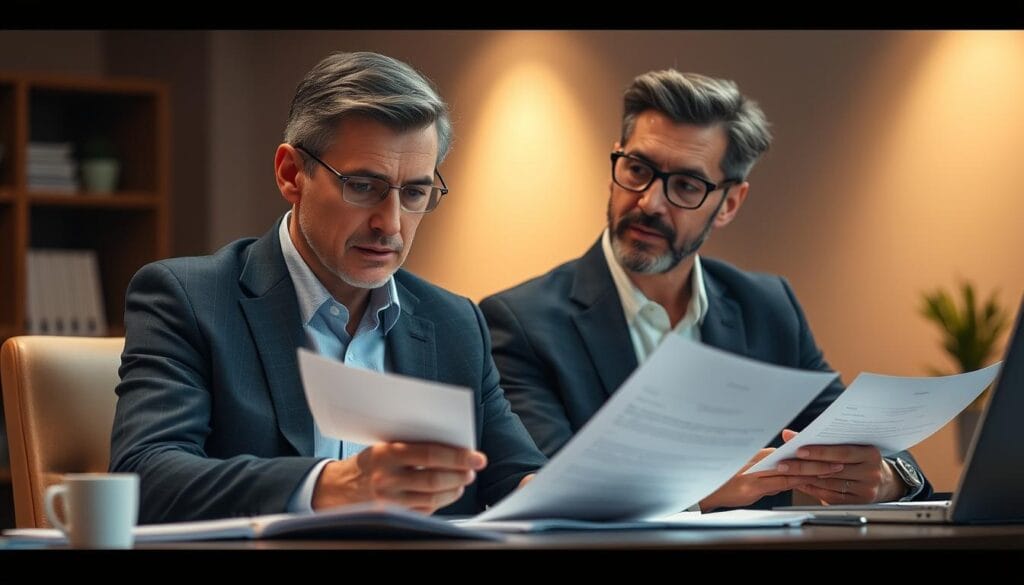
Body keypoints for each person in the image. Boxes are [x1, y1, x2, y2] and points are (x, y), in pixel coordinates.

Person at [110, 51, 546, 524]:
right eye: (362, 186)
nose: (391, 224)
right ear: (291, 175)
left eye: (415, 193)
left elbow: (518, 477)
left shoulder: (456, 322)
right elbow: (145, 477)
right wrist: (330, 485)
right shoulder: (187, 299)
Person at [480, 69, 931, 511]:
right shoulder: (521, 322)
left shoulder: (767, 307)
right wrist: (703, 489)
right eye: (637, 169)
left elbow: (857, 436)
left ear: (729, 203)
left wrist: (887, 478)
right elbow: (547, 492)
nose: (649, 203)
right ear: (614, 161)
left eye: (686, 186)